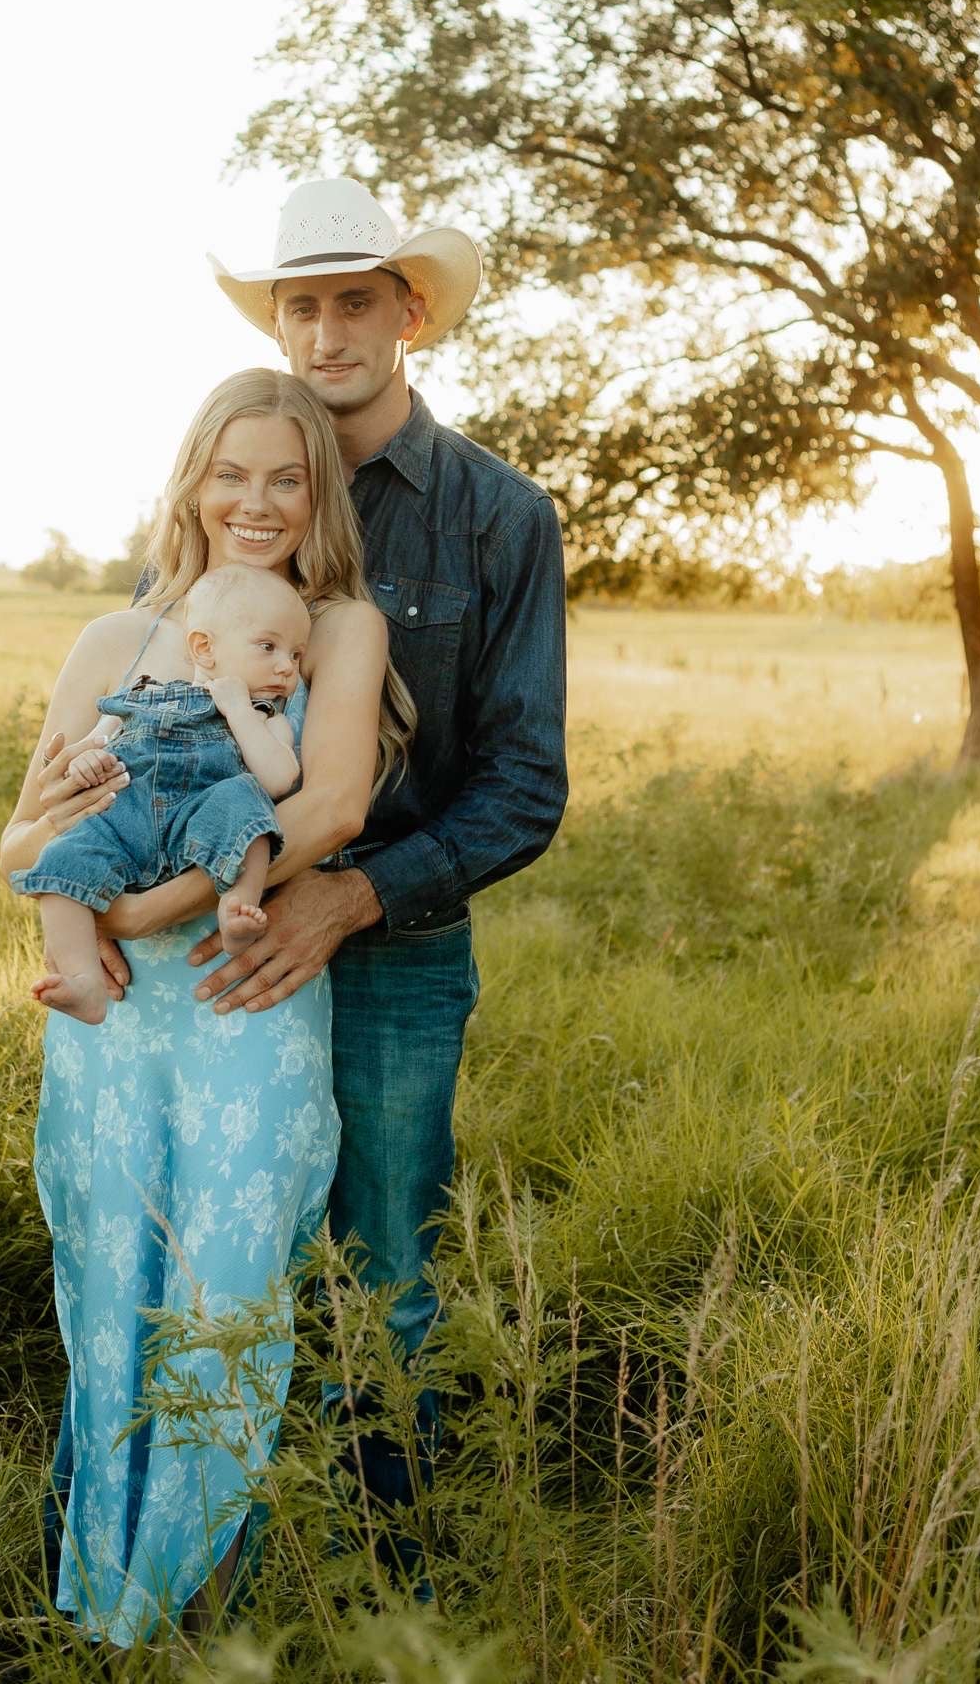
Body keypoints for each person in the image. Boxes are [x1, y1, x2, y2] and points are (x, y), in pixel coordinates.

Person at [0, 368, 409, 1647]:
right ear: (189, 481)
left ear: (317, 494)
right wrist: (65, 829)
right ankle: (103, 1602)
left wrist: (132, 912)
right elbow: (17, 844)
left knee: (230, 1291)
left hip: (242, 1006)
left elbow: (325, 808)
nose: (256, 502)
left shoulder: (334, 628)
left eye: (286, 478)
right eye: (231, 474)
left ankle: (197, 1608)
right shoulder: (109, 643)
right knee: (112, 1282)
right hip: (115, 1034)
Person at [197, 175, 569, 1558]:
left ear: (411, 310)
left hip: (400, 954)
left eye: (357, 298)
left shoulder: (498, 517)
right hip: (225, 943)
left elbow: (528, 784)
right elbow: (156, 684)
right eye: (304, 301)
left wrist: (354, 892)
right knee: (234, 1249)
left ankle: (387, 1572)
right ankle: (230, 1542)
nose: (328, 329)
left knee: (388, 1268)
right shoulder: (238, 488)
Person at [10, 565, 311, 1022]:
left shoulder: (266, 717)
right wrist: (87, 762)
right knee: (63, 859)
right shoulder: (141, 694)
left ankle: (237, 908)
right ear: (205, 648)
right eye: (268, 647)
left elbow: (276, 779)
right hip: (126, 821)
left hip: (201, 823)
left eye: (295, 653)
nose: (287, 666)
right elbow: (92, 744)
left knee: (246, 804)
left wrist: (237, 710)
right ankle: (82, 981)